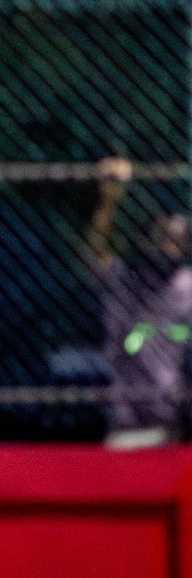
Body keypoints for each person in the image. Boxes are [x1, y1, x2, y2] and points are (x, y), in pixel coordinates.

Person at [87, 156, 192, 447]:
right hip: (124, 420)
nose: (168, 245)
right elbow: (95, 254)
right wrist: (109, 201)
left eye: (176, 240)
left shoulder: (186, 286)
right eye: (163, 237)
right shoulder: (127, 279)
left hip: (167, 418)